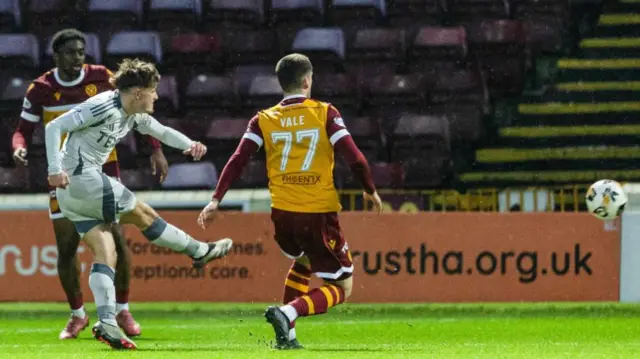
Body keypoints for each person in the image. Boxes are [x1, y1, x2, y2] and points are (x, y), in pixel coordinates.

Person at [45, 58, 233, 350]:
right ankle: (200, 251)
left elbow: (161, 131)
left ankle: (107, 321)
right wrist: (53, 170)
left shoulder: (131, 113)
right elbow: (54, 127)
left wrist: (188, 144)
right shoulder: (103, 105)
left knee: (105, 251)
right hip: (81, 179)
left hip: (72, 195)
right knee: (144, 214)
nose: (157, 95)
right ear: (137, 93)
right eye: (153, 90)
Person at [197, 53, 382, 349]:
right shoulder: (325, 112)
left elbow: (238, 160)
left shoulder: (263, 118)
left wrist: (216, 199)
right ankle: (288, 311)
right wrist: (369, 189)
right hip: (317, 212)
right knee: (342, 287)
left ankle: (288, 335)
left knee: (304, 260)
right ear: (307, 81)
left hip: (282, 215)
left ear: (281, 83)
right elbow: (355, 158)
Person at [11, 28, 169, 340]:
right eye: (71, 52)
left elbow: (137, 107)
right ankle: (77, 315)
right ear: (56, 56)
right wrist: (19, 146)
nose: (78, 58)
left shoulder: (102, 77)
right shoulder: (41, 88)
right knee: (67, 248)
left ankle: (122, 309)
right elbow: (22, 130)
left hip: (105, 171)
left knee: (119, 245)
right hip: (64, 176)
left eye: (81, 52)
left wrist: (156, 148)